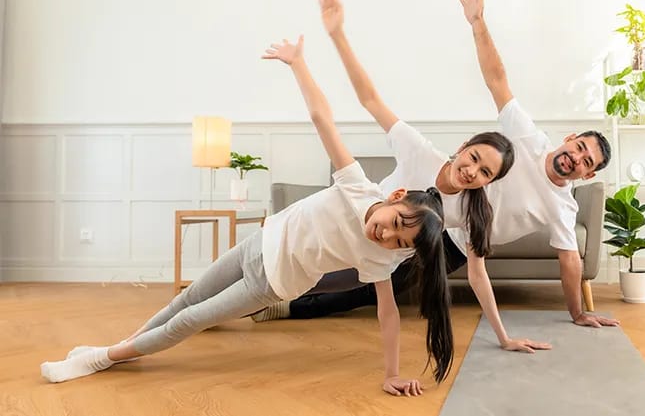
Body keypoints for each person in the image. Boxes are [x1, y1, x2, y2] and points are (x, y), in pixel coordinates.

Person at [40, 35, 452, 396]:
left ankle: (96, 359)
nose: (386, 236)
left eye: (399, 242)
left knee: (191, 320)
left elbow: (388, 313)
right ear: (395, 196)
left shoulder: (383, 259)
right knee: (185, 299)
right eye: (395, 223)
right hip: (260, 242)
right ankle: (120, 350)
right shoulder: (357, 185)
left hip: (273, 282)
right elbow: (321, 118)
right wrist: (298, 64)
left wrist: (392, 373)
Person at [253, 0, 619, 346]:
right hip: (416, 213)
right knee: (342, 253)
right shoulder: (524, 138)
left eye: (587, 162)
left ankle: (287, 307)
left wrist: (576, 314)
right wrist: (477, 23)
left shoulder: (560, 205)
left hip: (457, 242)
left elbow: (570, 261)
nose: (576, 159)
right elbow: (496, 80)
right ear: (570, 139)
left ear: (588, 174)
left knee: (375, 286)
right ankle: (267, 278)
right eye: (580, 147)